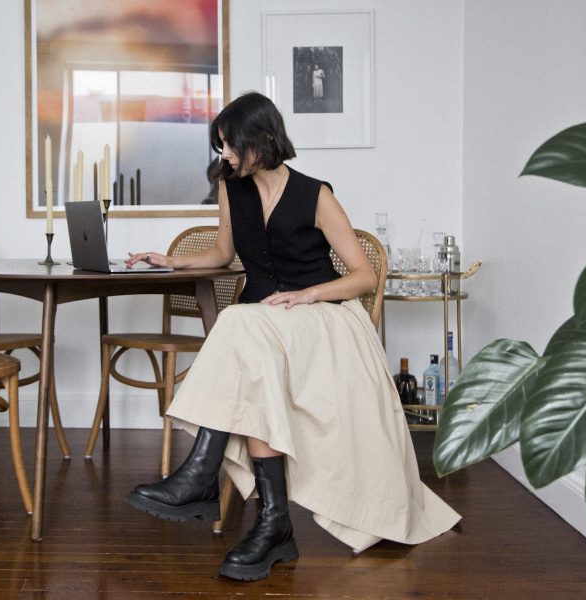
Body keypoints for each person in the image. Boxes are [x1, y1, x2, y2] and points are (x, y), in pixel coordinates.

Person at [123, 92, 460, 582]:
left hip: (323, 321)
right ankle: (272, 523)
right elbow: (222, 254)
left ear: (262, 139)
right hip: (264, 327)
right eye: (221, 146)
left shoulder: (315, 195)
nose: (225, 155)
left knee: (238, 322)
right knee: (249, 338)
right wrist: (170, 260)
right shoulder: (231, 189)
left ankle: (202, 475)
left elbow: (364, 276)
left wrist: (309, 294)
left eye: (231, 145)